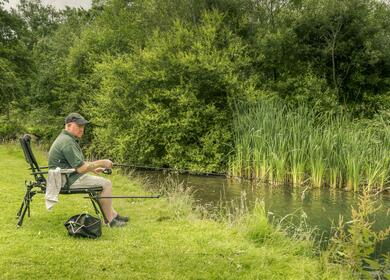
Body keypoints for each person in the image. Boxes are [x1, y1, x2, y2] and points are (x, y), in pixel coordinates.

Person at [48, 112, 128, 227]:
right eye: (79, 126)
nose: (82, 129)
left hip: (67, 176)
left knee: (102, 184)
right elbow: (81, 168)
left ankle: (113, 215)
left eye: (83, 126)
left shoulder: (66, 138)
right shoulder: (67, 142)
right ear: (69, 125)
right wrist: (102, 162)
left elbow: (77, 164)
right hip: (66, 180)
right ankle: (110, 220)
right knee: (106, 184)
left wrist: (92, 169)